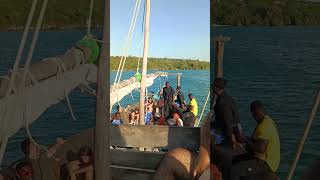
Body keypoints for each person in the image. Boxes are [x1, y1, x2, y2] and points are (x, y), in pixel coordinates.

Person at [230, 100, 280, 180]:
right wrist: (244, 138)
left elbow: (261, 149)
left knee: (234, 171)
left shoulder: (264, 126)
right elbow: (257, 141)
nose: (255, 117)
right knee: (234, 159)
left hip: (265, 163)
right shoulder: (267, 121)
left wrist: (246, 141)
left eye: (255, 114)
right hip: (262, 159)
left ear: (253, 114)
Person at [211, 78, 243, 180]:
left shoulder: (223, 102)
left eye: (213, 87)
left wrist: (231, 138)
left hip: (225, 133)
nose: (212, 88)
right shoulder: (226, 98)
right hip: (227, 129)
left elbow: (228, 121)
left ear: (216, 88)